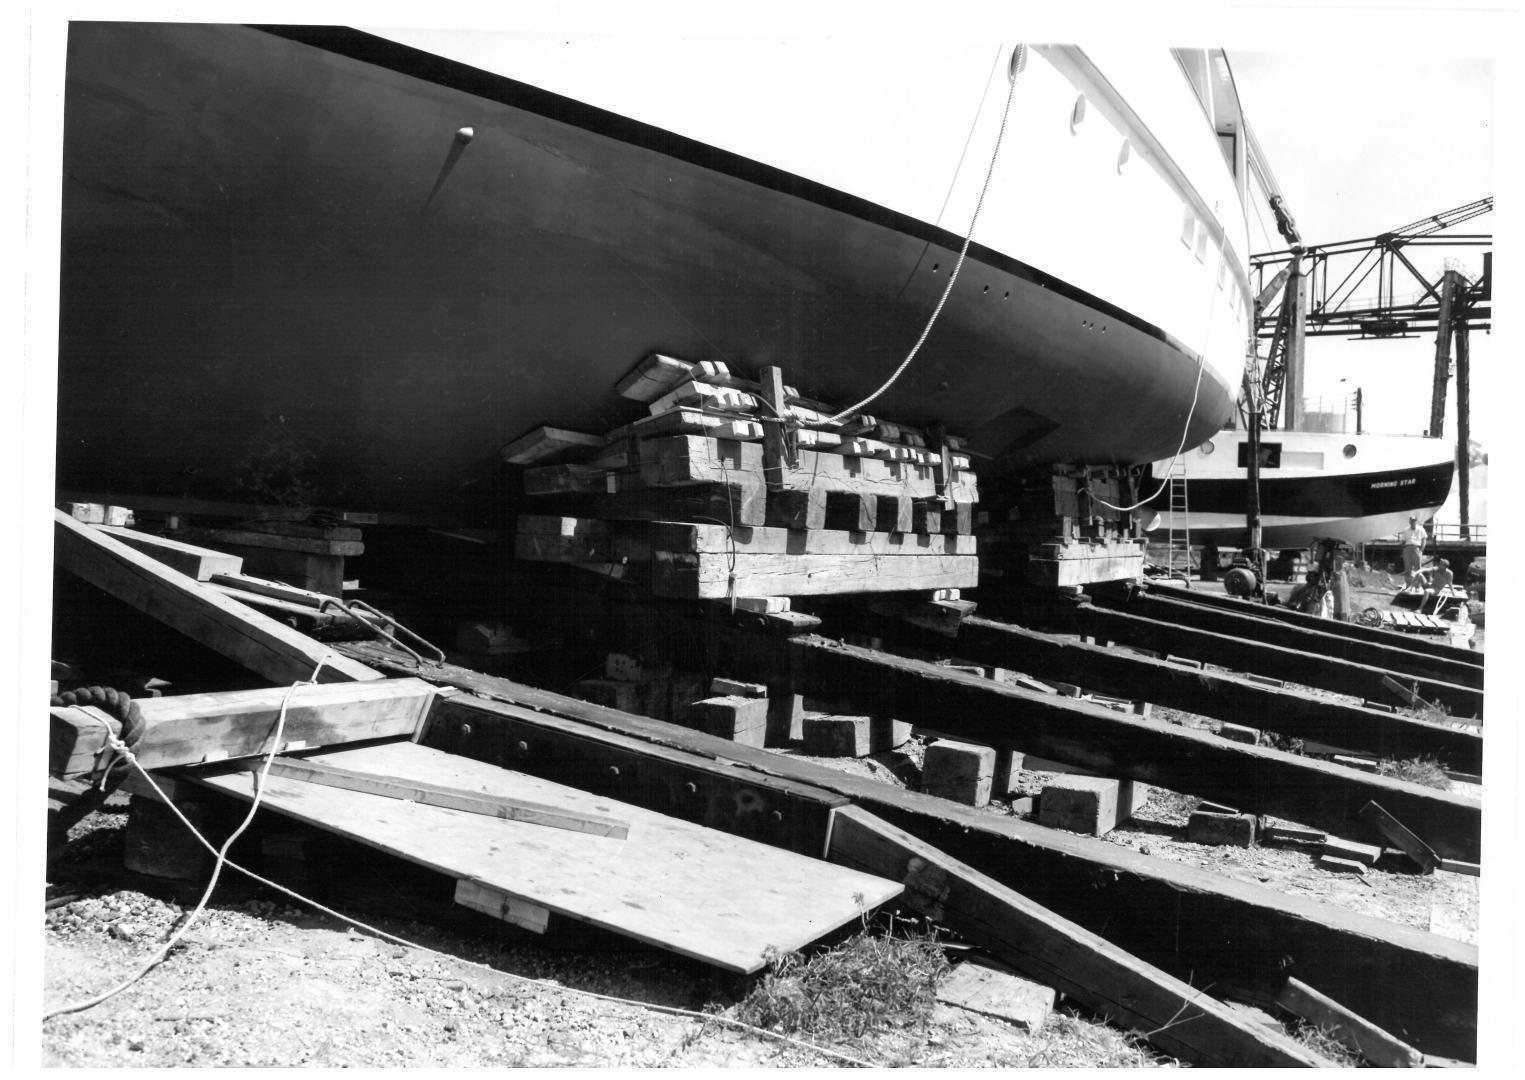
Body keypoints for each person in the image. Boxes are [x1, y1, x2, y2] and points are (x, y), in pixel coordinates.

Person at [1398, 514, 1427, 587]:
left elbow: (1424, 540)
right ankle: (1408, 586)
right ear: (1409, 521)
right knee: (1407, 569)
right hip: (1407, 548)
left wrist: (1421, 550)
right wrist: (1403, 547)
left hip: (1416, 548)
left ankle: (1417, 586)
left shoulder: (1421, 529)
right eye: (1411, 521)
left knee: (1418, 569)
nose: (1413, 522)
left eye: (1414, 521)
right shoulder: (1406, 529)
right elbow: (1403, 540)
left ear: (1416, 521)